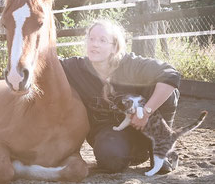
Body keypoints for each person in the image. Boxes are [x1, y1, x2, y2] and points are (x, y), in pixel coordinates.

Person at [60, 19, 180, 173]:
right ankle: (125, 154)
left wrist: (147, 111)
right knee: (110, 161)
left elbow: (171, 75)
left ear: (115, 47)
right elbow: (47, 64)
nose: (94, 44)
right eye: (91, 39)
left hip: (146, 124)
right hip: (111, 131)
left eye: (102, 40)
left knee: (165, 89)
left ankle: (162, 152)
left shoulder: (131, 64)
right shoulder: (76, 67)